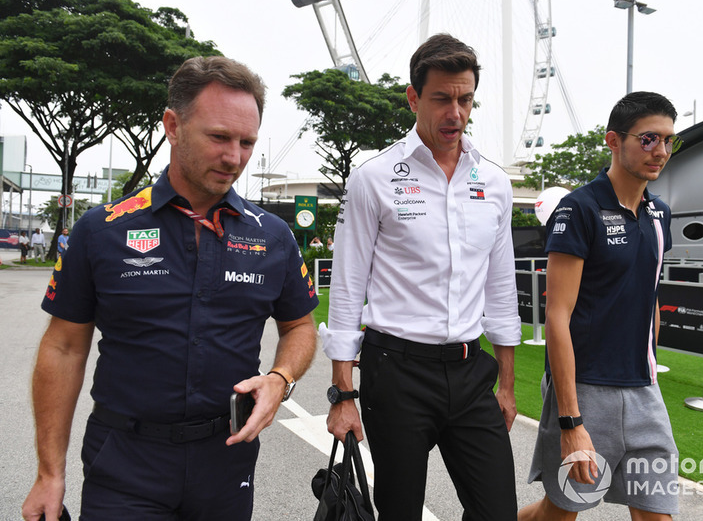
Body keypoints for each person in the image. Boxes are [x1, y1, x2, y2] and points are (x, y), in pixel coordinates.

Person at [22, 56, 319, 521]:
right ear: (173, 126)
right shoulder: (100, 230)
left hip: (227, 457)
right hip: (125, 460)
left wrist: (280, 379)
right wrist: (48, 473)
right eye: (219, 137)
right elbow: (62, 348)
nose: (234, 157)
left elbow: (300, 325)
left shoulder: (273, 236)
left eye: (247, 142)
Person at [321, 33, 520, 521]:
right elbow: (346, 291)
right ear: (413, 98)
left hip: (472, 372)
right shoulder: (374, 178)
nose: (455, 112)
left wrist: (508, 385)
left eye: (465, 99)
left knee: (498, 511)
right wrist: (343, 395)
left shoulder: (494, 183)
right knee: (400, 511)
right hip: (397, 371)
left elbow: (501, 288)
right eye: (441, 99)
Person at [519, 92, 683, 521]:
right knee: (561, 513)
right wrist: (572, 422)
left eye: (669, 140)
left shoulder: (660, 215)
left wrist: (650, 370)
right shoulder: (579, 208)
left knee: (657, 512)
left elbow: (650, 298)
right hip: (584, 390)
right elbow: (558, 315)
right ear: (614, 140)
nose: (661, 151)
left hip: (644, 390)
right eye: (649, 139)